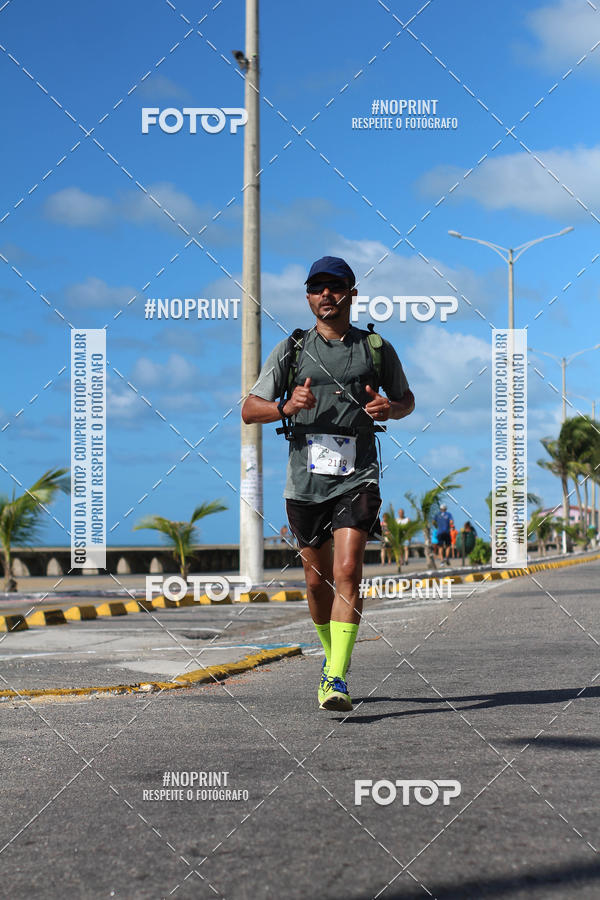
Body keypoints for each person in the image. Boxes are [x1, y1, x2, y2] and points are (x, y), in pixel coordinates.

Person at [241, 256, 415, 711]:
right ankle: (330, 655)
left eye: (335, 287)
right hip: (305, 481)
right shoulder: (292, 349)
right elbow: (249, 410)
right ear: (308, 296)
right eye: (317, 287)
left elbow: (406, 400)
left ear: (351, 293)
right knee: (316, 582)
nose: (326, 295)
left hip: (358, 475)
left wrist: (390, 409)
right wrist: (285, 407)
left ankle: (335, 676)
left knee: (348, 570)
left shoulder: (375, 349)